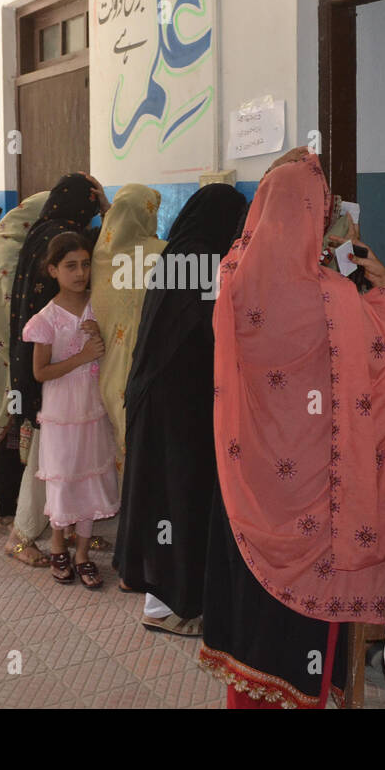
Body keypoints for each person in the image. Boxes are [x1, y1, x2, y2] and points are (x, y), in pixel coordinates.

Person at [198, 149, 385, 708]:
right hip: (317, 522)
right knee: (302, 651)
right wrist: (383, 289)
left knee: (253, 648)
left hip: (244, 499)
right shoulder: (336, 298)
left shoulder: (234, 276)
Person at [115, 183, 247, 635]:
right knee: (180, 499)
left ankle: (166, 597)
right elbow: (217, 335)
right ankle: (170, 607)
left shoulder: (179, 253)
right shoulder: (203, 261)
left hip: (161, 400)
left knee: (165, 498)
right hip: (180, 410)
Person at [5, 173, 107, 566]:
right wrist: (107, 214)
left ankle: (73, 525)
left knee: (64, 459)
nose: (81, 271)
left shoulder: (40, 232)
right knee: (47, 461)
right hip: (52, 358)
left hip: (36, 352)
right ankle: (23, 534)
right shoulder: (64, 236)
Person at [23, 232, 117, 589]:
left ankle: (82, 553)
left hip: (94, 408)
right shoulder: (46, 319)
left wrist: (102, 334)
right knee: (63, 477)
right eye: (70, 266)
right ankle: (58, 545)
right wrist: (82, 356)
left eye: (85, 264)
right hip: (62, 411)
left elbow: (113, 350)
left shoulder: (100, 305)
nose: (80, 273)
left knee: (89, 475)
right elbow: (40, 372)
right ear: (52, 270)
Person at [0, 191, 49, 535]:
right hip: (8, 355)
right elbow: (9, 309)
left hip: (0, 351)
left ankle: (15, 506)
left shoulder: (3, 240)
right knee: (13, 432)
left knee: (14, 431)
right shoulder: (8, 251)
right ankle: (9, 508)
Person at [89, 183, 165, 478]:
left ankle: (127, 506)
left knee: (120, 438)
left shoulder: (98, 255)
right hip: (145, 364)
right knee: (145, 441)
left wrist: (109, 208)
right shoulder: (162, 254)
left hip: (107, 367)